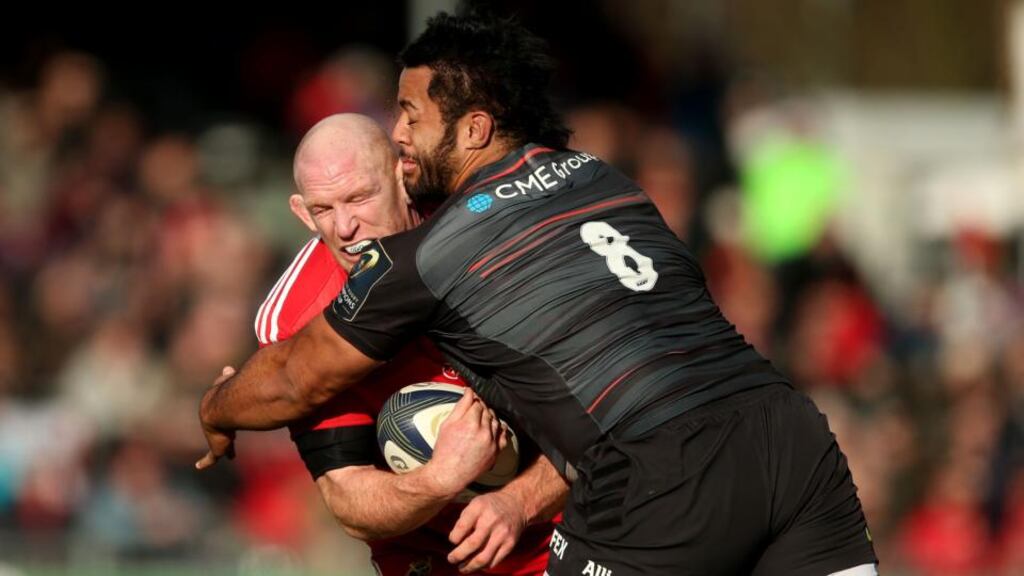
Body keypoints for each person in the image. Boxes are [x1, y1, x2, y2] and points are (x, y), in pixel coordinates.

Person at [198, 13, 878, 576]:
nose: (399, 133)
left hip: (653, 475)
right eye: (324, 207)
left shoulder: (431, 253)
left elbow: (291, 378)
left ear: (474, 128)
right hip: (788, 438)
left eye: (410, 114)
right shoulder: (600, 178)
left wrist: (220, 406)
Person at [237, 113, 565, 574]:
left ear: (401, 176)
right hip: (436, 551)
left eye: (359, 198)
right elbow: (346, 495)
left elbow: (611, 415)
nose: (346, 228)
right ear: (300, 212)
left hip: (570, 519)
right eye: (324, 210)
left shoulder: (489, 237)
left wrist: (518, 501)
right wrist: (438, 480)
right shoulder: (295, 321)